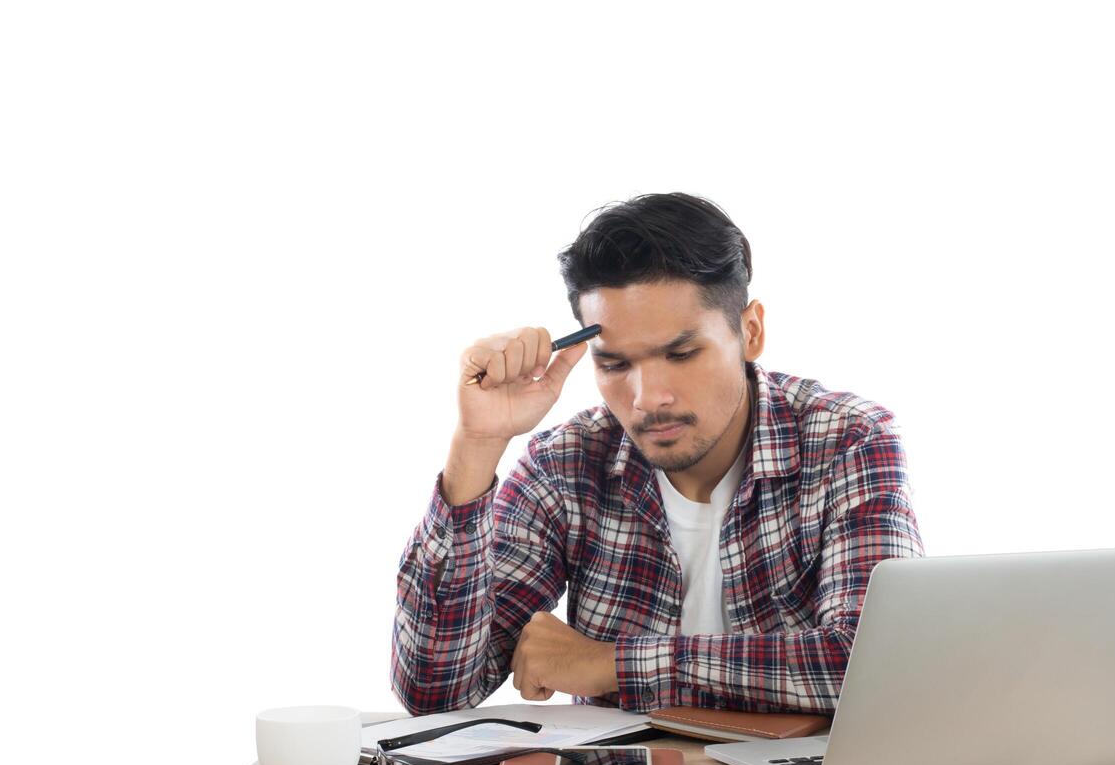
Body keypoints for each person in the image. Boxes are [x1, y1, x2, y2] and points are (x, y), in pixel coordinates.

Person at [392, 192, 924, 715]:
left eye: (681, 353)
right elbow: (433, 692)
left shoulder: (847, 440)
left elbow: (880, 668)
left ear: (751, 331)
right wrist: (477, 445)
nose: (648, 399)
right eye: (617, 365)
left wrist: (614, 665)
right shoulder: (567, 465)